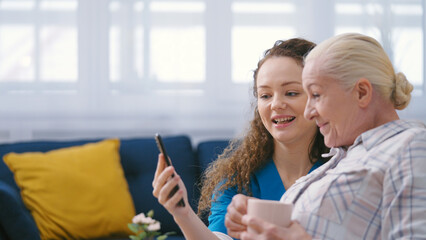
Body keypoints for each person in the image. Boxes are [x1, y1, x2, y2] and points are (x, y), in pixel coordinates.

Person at [226, 32, 426, 240]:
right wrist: (255, 214)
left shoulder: (411, 146)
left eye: (316, 95)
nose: (308, 112)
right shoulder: (341, 159)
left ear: (362, 93)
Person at [152, 38, 330, 240]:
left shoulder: (343, 169)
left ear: (318, 96)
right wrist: (182, 214)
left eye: (291, 93)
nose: (276, 104)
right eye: (265, 95)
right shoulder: (238, 177)